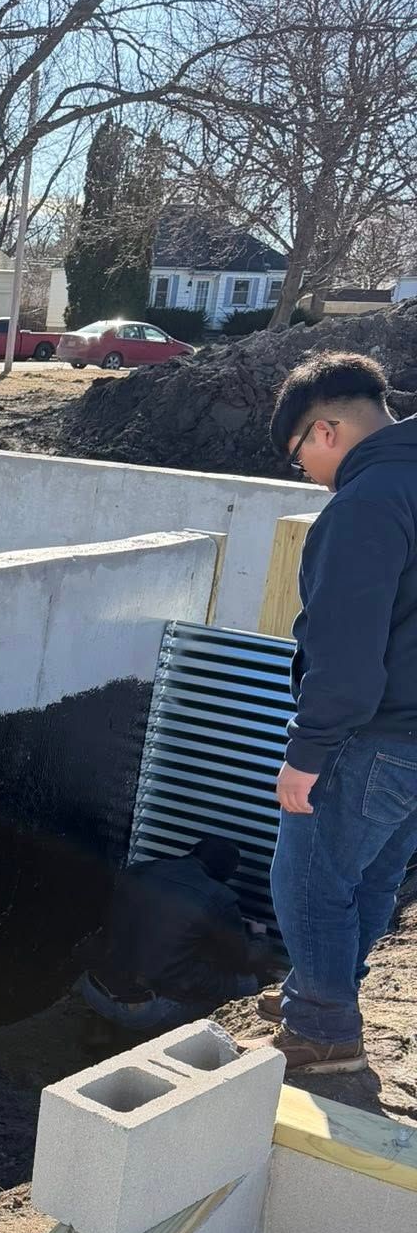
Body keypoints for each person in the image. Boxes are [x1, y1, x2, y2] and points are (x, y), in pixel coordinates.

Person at [266, 350, 417, 1072]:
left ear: (325, 430)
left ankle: (321, 1028)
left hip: (374, 732)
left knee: (308, 878)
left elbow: (347, 649)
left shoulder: (366, 503)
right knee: (375, 874)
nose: (307, 474)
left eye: (299, 458)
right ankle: (324, 989)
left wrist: (307, 752)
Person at [77, 837, 273, 1031]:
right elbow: (246, 960)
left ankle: (100, 1024)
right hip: (146, 1012)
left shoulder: (138, 870)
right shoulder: (218, 898)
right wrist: (259, 937)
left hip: (92, 988)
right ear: (226, 874)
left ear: (192, 852)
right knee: (247, 983)